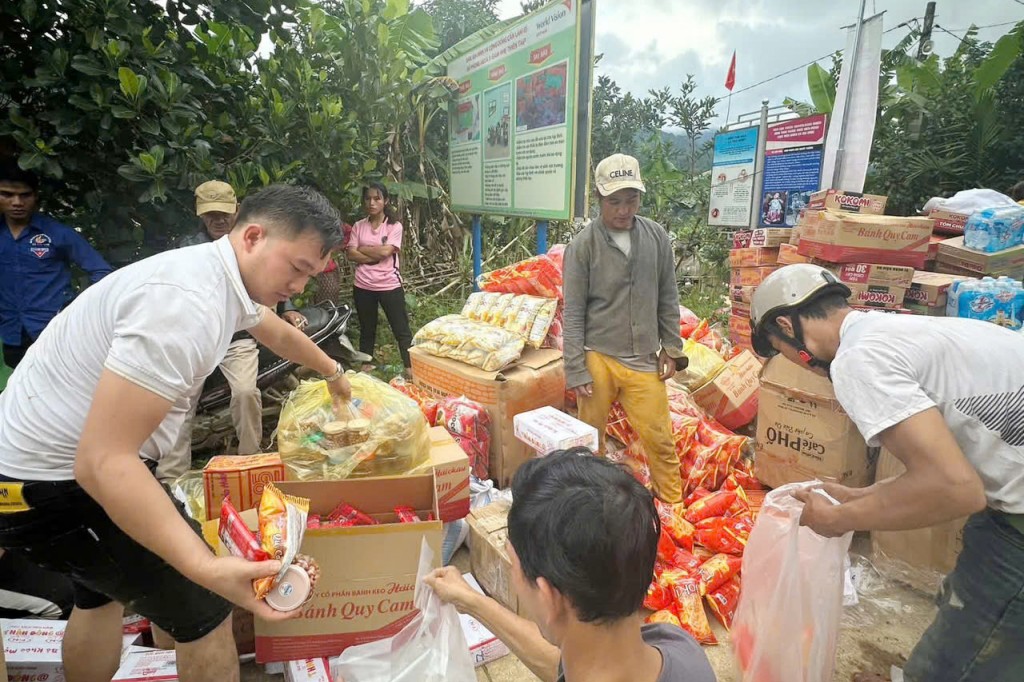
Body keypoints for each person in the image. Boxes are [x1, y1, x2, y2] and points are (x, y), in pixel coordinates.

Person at [0, 184, 350, 682]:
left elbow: (271, 329)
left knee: (100, 594)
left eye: (311, 276)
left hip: (28, 473)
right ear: (252, 236)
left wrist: (334, 373)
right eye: (297, 268)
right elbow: (103, 463)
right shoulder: (184, 305)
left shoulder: (215, 275)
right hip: (56, 485)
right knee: (205, 611)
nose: (299, 287)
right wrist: (206, 570)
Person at [749, 263, 1024, 682]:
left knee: (954, 664)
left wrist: (839, 519)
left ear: (787, 324)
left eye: (778, 348)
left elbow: (956, 490)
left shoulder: (858, 360)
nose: (791, 361)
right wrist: (861, 498)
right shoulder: (890, 331)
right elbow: (945, 468)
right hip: (1009, 502)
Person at [425, 450, 716, 682]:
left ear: (548, 596)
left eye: (512, 564)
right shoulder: (680, 650)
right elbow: (570, 660)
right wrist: (472, 602)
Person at [160, 181, 308, 480]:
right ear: (199, 214)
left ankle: (250, 459)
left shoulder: (252, 243)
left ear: (237, 210)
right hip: (198, 338)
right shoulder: (189, 247)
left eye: (224, 213)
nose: (218, 220)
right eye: (210, 214)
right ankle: (171, 476)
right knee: (180, 403)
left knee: (244, 392)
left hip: (239, 335)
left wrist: (288, 307)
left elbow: (273, 278)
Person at [563, 153, 688, 504]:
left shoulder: (656, 237)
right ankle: (595, 502)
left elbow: (668, 294)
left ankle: (671, 503)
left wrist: (673, 348)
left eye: (630, 200)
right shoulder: (583, 246)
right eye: (614, 201)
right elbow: (573, 312)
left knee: (659, 436)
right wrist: (575, 368)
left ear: (640, 198)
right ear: (599, 200)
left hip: (643, 357)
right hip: (597, 355)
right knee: (591, 439)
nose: (623, 209)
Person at [0, 161, 112, 368]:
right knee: (16, 390)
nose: (17, 202)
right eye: (7, 194)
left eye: (25, 195)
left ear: (35, 197)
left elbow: (102, 272)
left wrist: (78, 310)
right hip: (11, 332)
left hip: (53, 331)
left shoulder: (56, 233)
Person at [345, 183, 413, 375]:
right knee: (367, 328)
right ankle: (366, 366)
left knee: (401, 328)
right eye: (368, 198)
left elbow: (386, 251)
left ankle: (410, 368)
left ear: (386, 201)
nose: (372, 203)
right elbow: (351, 254)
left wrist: (364, 250)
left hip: (389, 284)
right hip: (363, 285)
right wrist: (377, 253)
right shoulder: (359, 226)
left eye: (377, 199)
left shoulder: (394, 226)